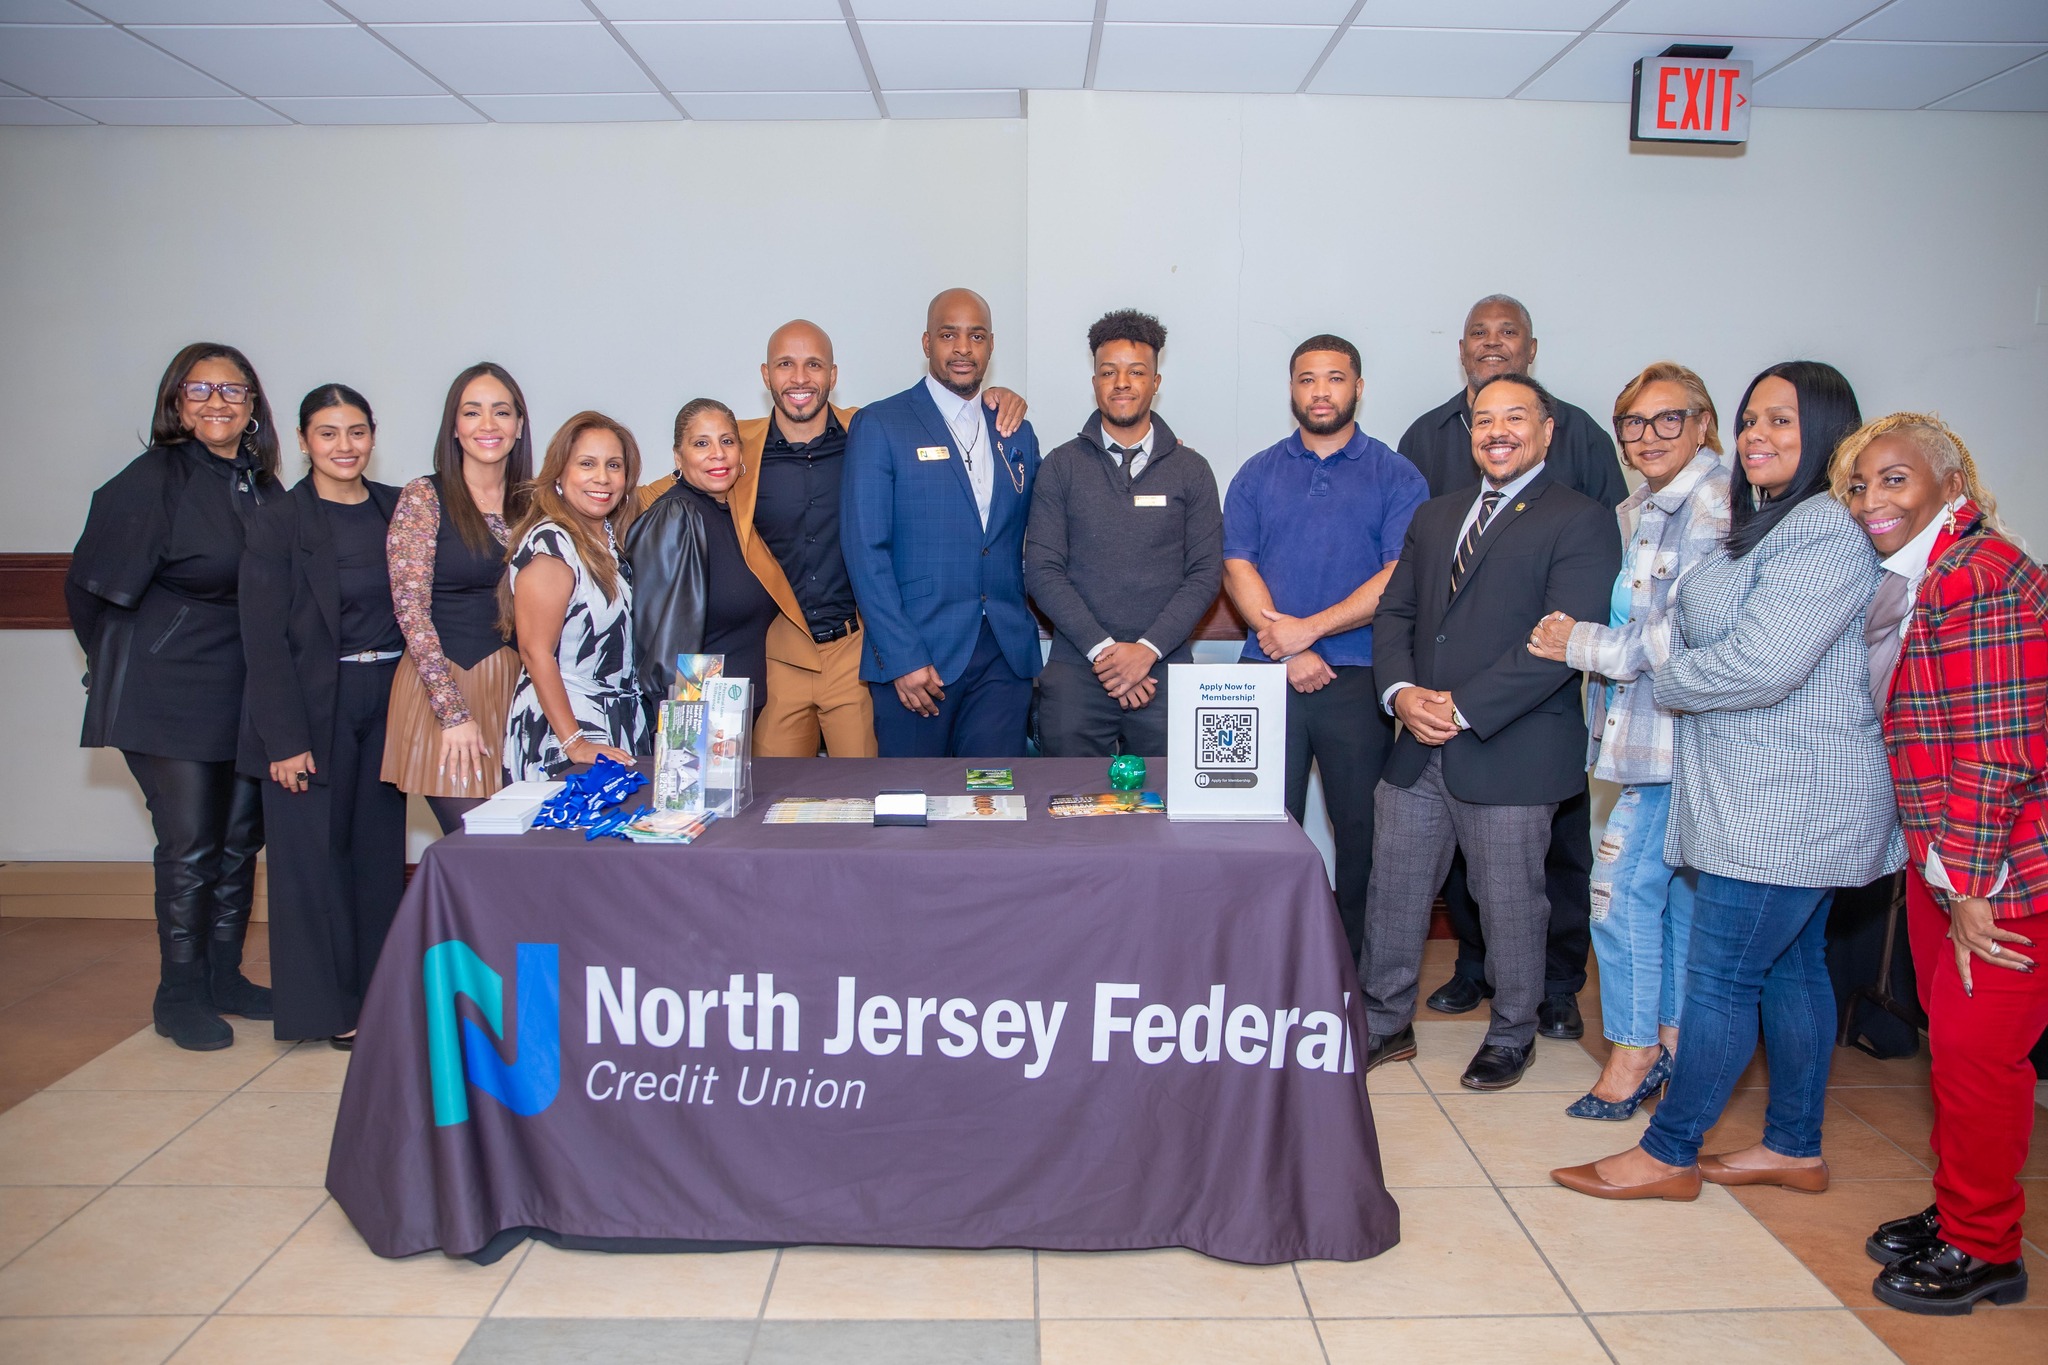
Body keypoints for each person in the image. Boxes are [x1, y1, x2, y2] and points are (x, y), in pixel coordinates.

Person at [1553, 360, 1903, 1201]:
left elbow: (1762, 663)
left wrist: (1660, 678)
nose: (1759, 436)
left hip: (1785, 803)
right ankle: (1793, 1145)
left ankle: (1669, 1153)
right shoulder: (1769, 524)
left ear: (1827, 431)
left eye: (1781, 421)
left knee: (1719, 976)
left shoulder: (1823, 527)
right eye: (1752, 420)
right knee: (1792, 970)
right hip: (1762, 795)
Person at [1834, 414, 2047, 1314]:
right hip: (1949, 861)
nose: (1872, 500)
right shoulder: (1924, 577)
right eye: (1858, 485)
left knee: (1979, 1059)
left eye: (1893, 479)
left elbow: (2000, 752)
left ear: (1949, 484)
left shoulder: (1979, 578)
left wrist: (1966, 887)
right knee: (1956, 1055)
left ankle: (1988, 1249)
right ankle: (1967, 1210)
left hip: (1999, 872)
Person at [1364, 374, 1620, 1090]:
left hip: (1512, 746)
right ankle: (1384, 1020)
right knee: (1395, 889)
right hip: (1417, 741)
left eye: (1515, 417)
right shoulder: (1437, 514)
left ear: (1546, 431)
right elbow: (1396, 617)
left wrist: (1462, 705)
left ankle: (1513, 1031)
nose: (1497, 431)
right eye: (1484, 419)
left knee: (1510, 899)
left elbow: (1556, 642)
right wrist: (1402, 691)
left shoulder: (1581, 519)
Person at [636, 322, 1025, 758]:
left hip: (854, 653)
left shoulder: (872, 430)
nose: (800, 378)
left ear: (833, 376)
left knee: (864, 798)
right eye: (786, 365)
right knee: (770, 799)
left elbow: (948, 416)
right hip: (779, 652)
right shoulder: (735, 445)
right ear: (766, 376)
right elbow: (651, 493)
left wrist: (995, 400)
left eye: (813, 365)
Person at [1527, 363, 1731, 1117]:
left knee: (1616, 896)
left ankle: (1634, 1048)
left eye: (1667, 420)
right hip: (1640, 734)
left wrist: (1578, 642)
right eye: (1634, 425)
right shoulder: (1643, 505)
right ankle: (1671, 1043)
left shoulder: (1713, 506)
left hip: (1679, 737)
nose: (1648, 437)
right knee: (1669, 899)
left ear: (1703, 422)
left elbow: (1685, 636)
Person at [67, 342, 282, 1051]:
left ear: (253, 407)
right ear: (175, 402)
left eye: (233, 391)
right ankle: (178, 993)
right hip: (168, 695)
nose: (218, 403)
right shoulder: (151, 479)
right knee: (190, 847)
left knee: (237, 843)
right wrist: (129, 662)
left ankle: (224, 977)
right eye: (200, 390)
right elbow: (87, 593)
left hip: (245, 694)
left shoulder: (261, 485)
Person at [1222, 334, 1427, 966]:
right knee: (1255, 826)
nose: (1320, 391)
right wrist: (1286, 647)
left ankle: (1351, 965)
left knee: (1363, 831)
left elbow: (1399, 574)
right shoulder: (1258, 471)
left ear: (1358, 387)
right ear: (1292, 389)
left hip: (1359, 676)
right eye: (1307, 379)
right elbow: (1237, 565)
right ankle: (1259, 957)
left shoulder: (1397, 474)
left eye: (1335, 378)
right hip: (1264, 677)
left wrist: (1309, 632)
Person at [238, 385, 404, 1049]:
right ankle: (325, 1009)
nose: (345, 445)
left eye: (357, 431)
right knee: (314, 861)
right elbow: (263, 638)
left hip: (387, 698)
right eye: (329, 432)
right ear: (305, 440)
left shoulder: (397, 509)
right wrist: (283, 737)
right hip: (312, 707)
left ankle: (378, 1001)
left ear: (372, 435)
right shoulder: (279, 521)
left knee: (375, 857)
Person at [842, 288, 1042, 758]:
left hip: (1003, 657)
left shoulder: (1015, 430)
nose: (962, 348)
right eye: (948, 334)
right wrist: (901, 656)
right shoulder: (881, 424)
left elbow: (1041, 521)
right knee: (913, 811)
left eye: (975, 336)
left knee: (992, 808)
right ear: (927, 342)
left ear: (991, 345)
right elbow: (865, 550)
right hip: (918, 661)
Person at [1027, 309, 1222, 757]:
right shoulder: (1060, 466)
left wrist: (1146, 651)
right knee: (1070, 811)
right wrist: (1107, 652)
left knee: (1168, 815)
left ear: (1156, 382)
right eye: (1108, 372)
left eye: (1136, 372)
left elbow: (1205, 573)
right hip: (1078, 668)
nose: (1122, 383)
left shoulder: (1192, 470)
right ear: (1094, 381)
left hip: (1165, 670)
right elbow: (1042, 570)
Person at [383, 363, 533, 832]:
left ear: (519, 425)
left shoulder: (534, 503)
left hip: (516, 692)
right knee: (477, 846)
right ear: (454, 426)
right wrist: (453, 714)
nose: (488, 425)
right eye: (472, 412)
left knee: (521, 849)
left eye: (501, 412)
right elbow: (410, 611)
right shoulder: (424, 498)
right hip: (445, 689)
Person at [502, 412, 647, 780]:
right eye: (587, 464)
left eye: (613, 465)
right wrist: (575, 742)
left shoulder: (613, 541)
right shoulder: (552, 543)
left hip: (617, 723)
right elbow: (535, 651)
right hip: (564, 731)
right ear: (560, 476)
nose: (602, 477)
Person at [625, 398, 780, 718]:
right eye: (701, 443)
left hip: (734, 717)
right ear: (678, 456)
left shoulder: (734, 514)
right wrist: (685, 731)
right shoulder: (676, 515)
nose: (718, 453)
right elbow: (663, 645)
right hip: (696, 720)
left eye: (727, 441)